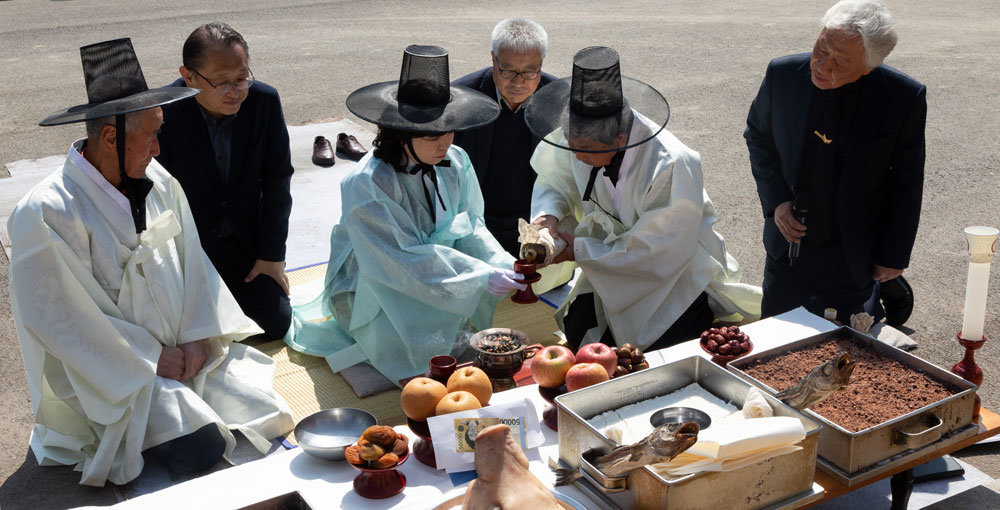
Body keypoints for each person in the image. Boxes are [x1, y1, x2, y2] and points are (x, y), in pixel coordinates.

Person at [7, 39, 293, 487]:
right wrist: (151, 359)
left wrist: (199, 337)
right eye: (152, 134)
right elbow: (60, 320)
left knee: (269, 412)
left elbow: (192, 264)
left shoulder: (157, 180)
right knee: (202, 446)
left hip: (183, 351)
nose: (159, 148)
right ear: (109, 137)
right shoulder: (45, 211)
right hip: (112, 371)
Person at [284, 45, 523, 380]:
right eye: (432, 136)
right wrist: (477, 277)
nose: (445, 144)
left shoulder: (454, 161)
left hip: (442, 274)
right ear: (401, 135)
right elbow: (397, 258)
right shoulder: (366, 182)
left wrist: (498, 264)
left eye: (449, 132)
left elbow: (471, 226)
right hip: (375, 280)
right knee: (409, 356)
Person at [525, 47, 761, 351]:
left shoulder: (672, 164)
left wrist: (580, 250)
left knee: (654, 353)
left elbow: (658, 250)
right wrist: (547, 217)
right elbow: (555, 179)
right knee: (578, 328)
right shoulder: (582, 136)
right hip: (609, 265)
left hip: (672, 277)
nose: (577, 157)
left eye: (584, 149)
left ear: (620, 139)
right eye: (571, 145)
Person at [744, 0, 925, 324]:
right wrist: (777, 202)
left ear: (869, 66)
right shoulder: (783, 75)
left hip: (854, 250)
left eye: (842, 61)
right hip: (789, 244)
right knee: (776, 343)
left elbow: (906, 179)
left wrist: (894, 254)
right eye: (822, 46)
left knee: (848, 349)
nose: (823, 66)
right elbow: (758, 135)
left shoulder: (901, 98)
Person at [156, 22, 294, 340]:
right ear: (188, 76)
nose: (234, 92)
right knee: (186, 336)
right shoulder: (165, 111)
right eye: (222, 83)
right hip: (189, 253)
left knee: (276, 323)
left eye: (242, 78)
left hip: (245, 248)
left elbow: (278, 180)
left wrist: (272, 256)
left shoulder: (264, 102)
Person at [452, 18, 556, 257]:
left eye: (530, 71)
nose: (519, 82)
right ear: (493, 58)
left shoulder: (557, 100)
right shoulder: (461, 100)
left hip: (536, 225)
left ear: (541, 64)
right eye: (508, 70)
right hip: (473, 225)